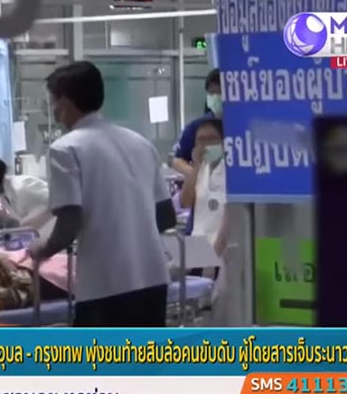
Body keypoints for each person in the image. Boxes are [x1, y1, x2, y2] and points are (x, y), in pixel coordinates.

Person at [25, 60, 178, 327]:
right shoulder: (141, 143)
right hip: (153, 278)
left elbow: (69, 221)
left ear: (65, 102)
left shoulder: (65, 149)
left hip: (106, 285)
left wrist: (43, 249)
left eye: (53, 102)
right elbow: (165, 216)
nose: (54, 111)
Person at [171, 68, 222, 234]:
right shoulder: (198, 126)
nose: (206, 144)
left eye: (220, 92)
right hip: (200, 230)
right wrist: (197, 171)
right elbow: (177, 159)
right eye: (212, 93)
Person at [180, 119, 227, 277]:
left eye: (212, 139)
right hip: (198, 247)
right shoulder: (201, 169)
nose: (205, 145)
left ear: (223, 141)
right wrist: (196, 166)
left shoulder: (231, 171)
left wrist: (214, 257)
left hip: (221, 249)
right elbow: (185, 202)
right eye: (200, 140)